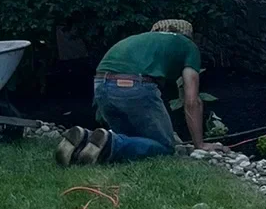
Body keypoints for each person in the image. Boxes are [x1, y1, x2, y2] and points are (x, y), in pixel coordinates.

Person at [56, 19, 204, 166]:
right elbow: (192, 101)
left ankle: (84, 140)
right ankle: (110, 144)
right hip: (134, 85)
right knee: (164, 146)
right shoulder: (187, 45)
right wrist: (199, 145)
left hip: (100, 84)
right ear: (188, 35)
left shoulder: (141, 41)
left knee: (130, 138)